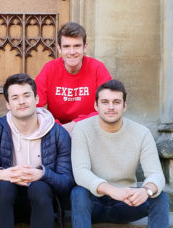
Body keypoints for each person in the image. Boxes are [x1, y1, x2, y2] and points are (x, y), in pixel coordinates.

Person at [70, 80, 169, 227]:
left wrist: (145, 191)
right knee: (78, 193)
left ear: (124, 106)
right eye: (105, 102)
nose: (111, 107)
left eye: (116, 102)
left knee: (160, 197)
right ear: (96, 106)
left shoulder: (141, 133)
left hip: (127, 202)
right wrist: (112, 191)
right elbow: (80, 172)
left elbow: (156, 174)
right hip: (94, 202)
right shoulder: (82, 129)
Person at [0, 73, 74, 228]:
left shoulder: (58, 133)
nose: (22, 102)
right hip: (5, 203)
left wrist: (42, 175)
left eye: (26, 95)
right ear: (8, 104)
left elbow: (67, 181)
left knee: (39, 186)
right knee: (4, 186)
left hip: (43, 203)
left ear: (37, 99)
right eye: (15, 97)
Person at [35, 22, 112, 134]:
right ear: (59, 49)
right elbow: (35, 106)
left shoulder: (97, 68)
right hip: (55, 130)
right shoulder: (49, 69)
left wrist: (76, 124)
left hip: (90, 129)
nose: (72, 52)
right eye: (66, 46)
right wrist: (56, 127)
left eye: (77, 46)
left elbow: (108, 106)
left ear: (85, 47)